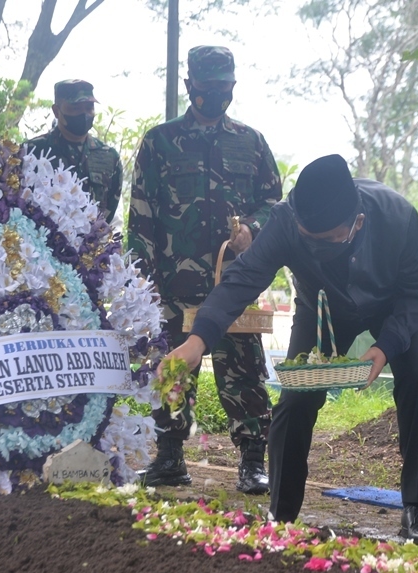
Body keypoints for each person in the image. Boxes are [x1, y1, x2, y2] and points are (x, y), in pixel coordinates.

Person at [162, 153, 418, 546]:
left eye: (326, 241)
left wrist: (383, 350)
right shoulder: (285, 220)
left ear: (356, 224)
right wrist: (198, 340)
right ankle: (282, 513)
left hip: (395, 305)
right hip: (322, 305)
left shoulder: (397, 217)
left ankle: (417, 507)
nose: (314, 248)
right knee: (296, 399)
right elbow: (241, 280)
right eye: (307, 238)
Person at [128, 46, 282, 495]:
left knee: (245, 374)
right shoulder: (159, 142)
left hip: (232, 284)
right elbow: (141, 217)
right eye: (208, 87)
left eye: (224, 87)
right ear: (189, 85)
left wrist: (252, 229)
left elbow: (274, 205)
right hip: (173, 285)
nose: (217, 94)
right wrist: (142, 283)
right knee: (172, 372)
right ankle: (171, 458)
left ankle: (253, 461)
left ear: (232, 86)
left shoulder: (251, 143)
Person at [25, 79, 122, 224]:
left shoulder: (108, 157)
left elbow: (108, 213)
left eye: (89, 108)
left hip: (91, 243)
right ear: (57, 111)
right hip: (42, 242)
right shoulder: (32, 152)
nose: (84, 114)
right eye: (75, 108)